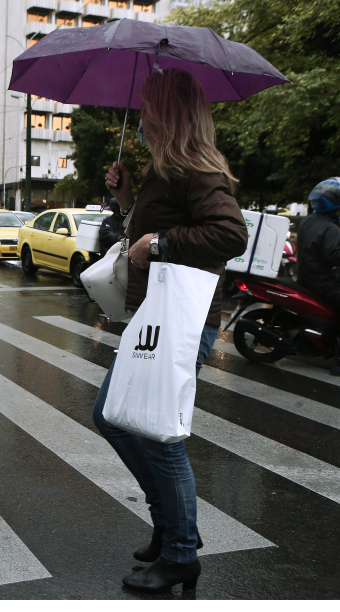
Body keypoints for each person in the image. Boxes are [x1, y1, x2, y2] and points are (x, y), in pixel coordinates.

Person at [101, 68, 248, 593]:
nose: (142, 118)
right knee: (114, 417)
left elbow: (229, 232)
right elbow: (142, 232)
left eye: (149, 108)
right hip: (152, 314)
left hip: (182, 318)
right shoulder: (162, 170)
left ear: (170, 113)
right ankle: (167, 524)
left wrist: (159, 243)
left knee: (160, 435)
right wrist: (123, 201)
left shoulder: (197, 167)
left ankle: (181, 551)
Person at [295, 178, 340, 375]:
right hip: (324, 282)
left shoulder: (309, 220)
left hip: (308, 277)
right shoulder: (331, 229)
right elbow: (333, 257)